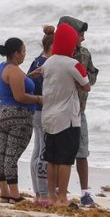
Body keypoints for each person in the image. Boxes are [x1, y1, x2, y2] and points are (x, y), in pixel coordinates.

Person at [41, 23, 91, 207]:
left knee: (51, 159)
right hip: (68, 119)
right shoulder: (73, 64)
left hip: (49, 116)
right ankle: (62, 196)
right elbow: (87, 85)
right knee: (65, 160)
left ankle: (51, 197)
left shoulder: (48, 62)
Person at [0, 37, 42, 203]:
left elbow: (14, 84)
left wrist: (29, 76)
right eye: (23, 52)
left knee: (2, 153)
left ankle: (4, 193)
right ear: (15, 53)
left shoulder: (2, 68)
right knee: (11, 156)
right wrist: (38, 99)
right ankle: (15, 195)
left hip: (2, 113)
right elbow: (19, 96)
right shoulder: (14, 71)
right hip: (17, 116)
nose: (24, 55)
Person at [58, 16, 99, 207]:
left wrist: (84, 80)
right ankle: (57, 191)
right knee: (59, 154)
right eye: (80, 34)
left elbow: (93, 73)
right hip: (60, 110)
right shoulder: (57, 55)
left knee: (82, 153)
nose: (83, 38)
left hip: (79, 110)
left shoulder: (84, 53)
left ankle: (85, 193)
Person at [27, 25, 54, 206]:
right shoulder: (49, 64)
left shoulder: (36, 61)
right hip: (43, 110)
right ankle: (43, 194)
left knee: (37, 150)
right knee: (44, 151)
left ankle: (37, 191)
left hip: (34, 110)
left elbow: (26, 80)